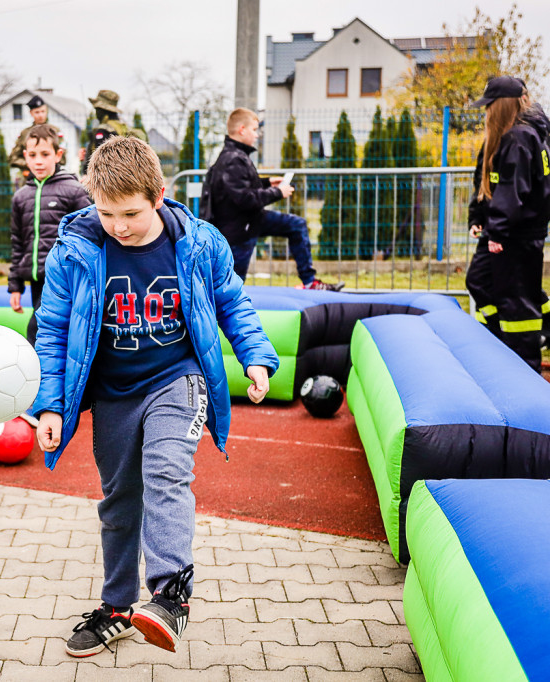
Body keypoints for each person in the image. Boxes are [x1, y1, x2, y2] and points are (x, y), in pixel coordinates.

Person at [32, 136, 279, 656]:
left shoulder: (198, 241)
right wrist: (50, 405)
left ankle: (170, 594)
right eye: (106, 213)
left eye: (131, 213)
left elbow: (232, 302)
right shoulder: (76, 251)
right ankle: (117, 607)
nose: (119, 226)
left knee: (167, 473)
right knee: (120, 501)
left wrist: (256, 356)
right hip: (115, 392)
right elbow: (52, 330)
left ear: (160, 195)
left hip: (178, 378)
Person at [203, 108, 343, 290]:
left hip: (251, 220)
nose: (257, 135)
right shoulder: (232, 159)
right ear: (242, 129)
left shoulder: (236, 156)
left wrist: (267, 182)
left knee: (296, 224)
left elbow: (239, 186)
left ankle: (309, 281)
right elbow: (245, 198)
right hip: (239, 229)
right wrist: (278, 192)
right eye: (254, 130)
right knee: (232, 287)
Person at [464, 76, 550, 372]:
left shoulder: (519, 138)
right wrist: (478, 218)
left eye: (489, 106)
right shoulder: (503, 137)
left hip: (515, 234)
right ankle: (501, 337)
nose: (485, 111)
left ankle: (526, 364)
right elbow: (486, 182)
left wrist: (497, 231)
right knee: (481, 281)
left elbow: (514, 189)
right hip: (504, 230)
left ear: (500, 107)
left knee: (517, 302)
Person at [8, 124, 91, 346]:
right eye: (33, 155)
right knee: (44, 328)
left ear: (58, 155)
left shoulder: (74, 191)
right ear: (25, 156)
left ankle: (40, 373)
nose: (38, 161)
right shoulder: (21, 197)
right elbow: (18, 242)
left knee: (37, 328)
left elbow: (89, 235)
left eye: (45, 154)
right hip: (37, 278)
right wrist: (15, 284)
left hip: (63, 277)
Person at [79, 90, 147, 176]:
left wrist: (86, 173)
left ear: (102, 110)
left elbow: (100, 161)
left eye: (97, 109)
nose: (96, 113)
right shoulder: (123, 128)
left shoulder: (103, 130)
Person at [8, 95, 63, 180]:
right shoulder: (25, 134)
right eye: (37, 112)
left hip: (53, 177)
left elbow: (63, 159)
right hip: (29, 178)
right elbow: (13, 158)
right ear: (31, 113)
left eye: (43, 111)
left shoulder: (55, 131)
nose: (40, 115)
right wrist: (30, 164)